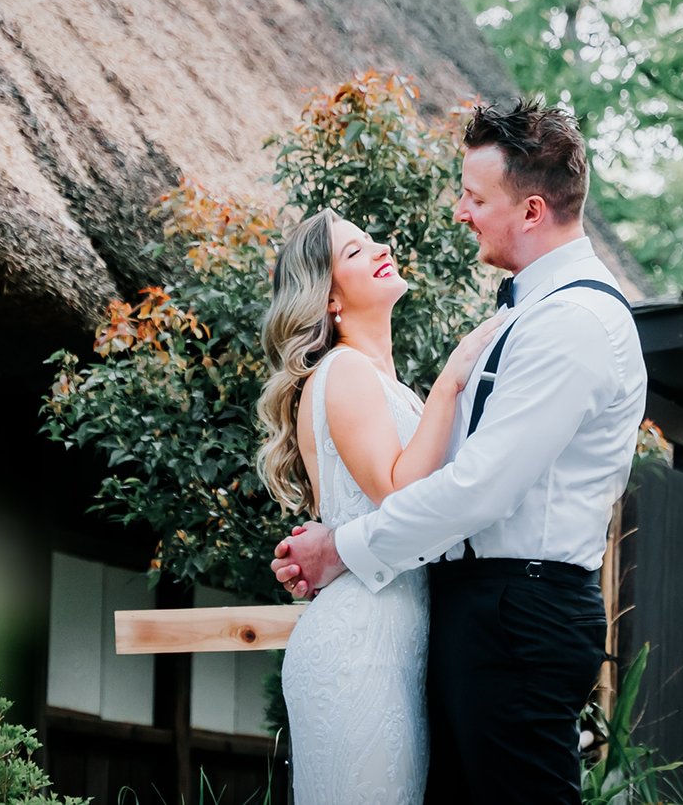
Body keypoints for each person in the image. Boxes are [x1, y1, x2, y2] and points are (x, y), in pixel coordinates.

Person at [272, 98, 645, 805]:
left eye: (474, 196)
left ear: (531, 210)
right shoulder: (523, 314)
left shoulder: (571, 322)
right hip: (472, 612)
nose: (459, 211)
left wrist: (342, 546)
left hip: (518, 614)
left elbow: (477, 489)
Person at [255, 208, 506, 805]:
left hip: (396, 646)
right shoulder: (342, 371)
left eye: (372, 240)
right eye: (353, 252)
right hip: (357, 651)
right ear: (330, 300)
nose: (379, 249)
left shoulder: (382, 383)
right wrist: (452, 379)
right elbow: (400, 495)